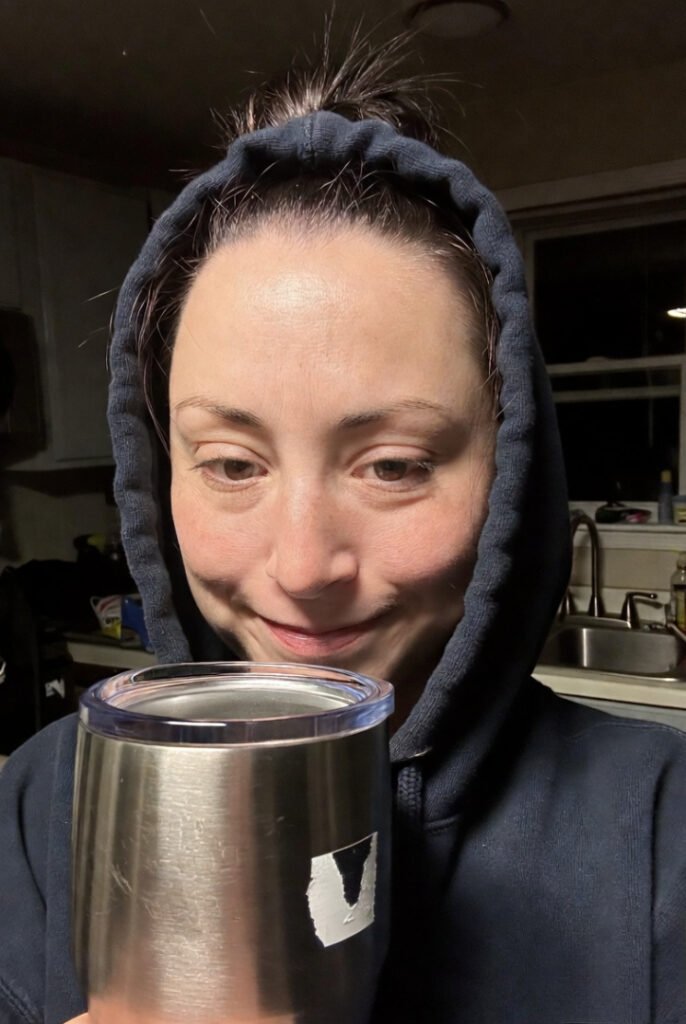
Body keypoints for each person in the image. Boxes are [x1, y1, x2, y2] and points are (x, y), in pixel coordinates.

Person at [2, 35, 686, 1024]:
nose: (301, 568)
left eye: (394, 465)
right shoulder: (36, 809)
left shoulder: (662, 836)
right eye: (232, 464)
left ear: (507, 474)